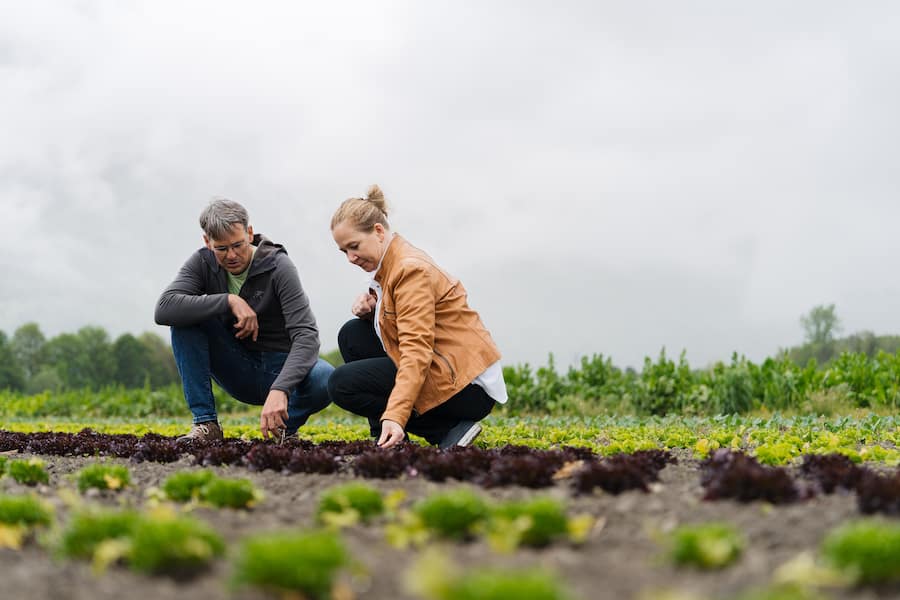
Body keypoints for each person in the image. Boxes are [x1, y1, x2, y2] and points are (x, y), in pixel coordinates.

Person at [327, 185, 507, 449]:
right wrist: (373, 312)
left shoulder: (409, 270)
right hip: (445, 368)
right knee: (352, 334)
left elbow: (417, 350)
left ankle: (446, 432)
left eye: (354, 246)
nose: (350, 258)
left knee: (341, 384)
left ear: (378, 231)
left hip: (466, 387)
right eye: (344, 251)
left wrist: (396, 414)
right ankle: (384, 437)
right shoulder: (388, 263)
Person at [155, 198, 333, 442]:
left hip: (281, 366)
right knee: (184, 319)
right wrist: (228, 300)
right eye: (221, 248)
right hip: (237, 366)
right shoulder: (202, 262)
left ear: (249, 233)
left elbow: (307, 336)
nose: (231, 255)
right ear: (207, 242)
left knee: (325, 377)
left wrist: (281, 387)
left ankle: (283, 430)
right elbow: (164, 308)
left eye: (238, 245)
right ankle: (206, 423)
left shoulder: (279, 266)